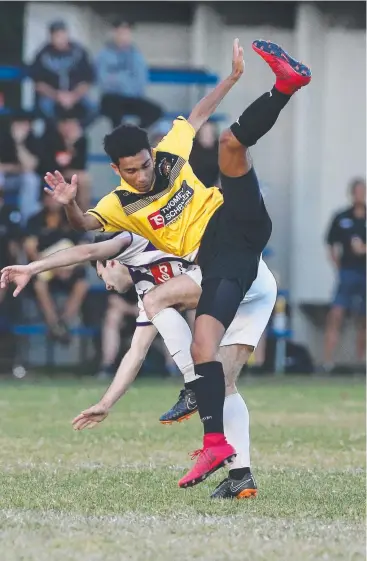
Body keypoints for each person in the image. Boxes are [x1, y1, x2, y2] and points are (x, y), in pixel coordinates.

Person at [43, 39, 311, 488]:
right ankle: (223, 454)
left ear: (152, 153)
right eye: (131, 170)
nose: (143, 174)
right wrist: (71, 205)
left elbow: (199, 113)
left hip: (233, 224)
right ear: (115, 169)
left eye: (146, 164)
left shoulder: (170, 152)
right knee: (208, 359)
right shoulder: (119, 205)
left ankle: (285, 85)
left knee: (229, 145)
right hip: (230, 265)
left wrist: (231, 78)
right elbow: (87, 226)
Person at [1, 229, 276, 499]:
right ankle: (240, 478)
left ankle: (195, 386)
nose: (106, 285)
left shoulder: (136, 243)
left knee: (167, 316)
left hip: (238, 272)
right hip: (256, 289)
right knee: (224, 386)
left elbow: (86, 249)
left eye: (102, 276)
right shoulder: (148, 290)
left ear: (110, 262)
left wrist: (33, 268)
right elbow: (136, 351)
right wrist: (105, 403)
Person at [23, 192, 89, 343]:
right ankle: (53, 323)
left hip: (69, 268)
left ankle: (65, 322)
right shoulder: (35, 220)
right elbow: (30, 249)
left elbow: (83, 247)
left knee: (82, 283)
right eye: (47, 196)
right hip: (44, 268)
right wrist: (52, 268)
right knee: (39, 284)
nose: (51, 200)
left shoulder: (72, 218)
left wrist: (67, 268)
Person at [323, 178, 366, 371]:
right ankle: (327, 362)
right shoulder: (341, 217)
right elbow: (331, 243)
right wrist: (338, 265)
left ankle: (361, 361)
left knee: (363, 318)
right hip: (347, 272)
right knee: (336, 314)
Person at [96, 19, 162, 129]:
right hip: (112, 97)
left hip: (131, 97)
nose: (123, 37)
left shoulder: (136, 55)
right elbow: (104, 81)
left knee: (156, 111)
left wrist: (118, 79)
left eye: (126, 33)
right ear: (114, 33)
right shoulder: (104, 54)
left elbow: (141, 81)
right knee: (113, 109)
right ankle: (117, 141)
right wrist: (126, 80)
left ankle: (135, 135)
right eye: (120, 33)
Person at [31, 20, 95, 126]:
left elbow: (87, 80)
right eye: (56, 35)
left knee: (93, 108)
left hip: (76, 96)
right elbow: (38, 84)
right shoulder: (42, 55)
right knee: (45, 108)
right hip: (52, 97)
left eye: (62, 34)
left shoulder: (79, 52)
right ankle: (60, 134)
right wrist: (57, 96)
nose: (60, 38)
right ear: (51, 36)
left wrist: (73, 96)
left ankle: (76, 133)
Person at [39, 106, 91, 211]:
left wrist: (71, 145)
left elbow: (80, 166)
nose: (70, 128)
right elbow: (49, 166)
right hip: (50, 175)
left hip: (69, 175)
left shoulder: (81, 140)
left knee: (85, 178)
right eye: (67, 124)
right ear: (60, 125)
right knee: (55, 203)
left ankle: (84, 216)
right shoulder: (49, 138)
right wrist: (68, 145)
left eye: (73, 124)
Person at [0, 110, 42, 224]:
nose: (20, 127)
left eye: (24, 124)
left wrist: (19, 144)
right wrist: (17, 168)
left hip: (20, 180)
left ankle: (26, 222)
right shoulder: (3, 137)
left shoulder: (33, 139)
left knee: (31, 179)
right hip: (4, 179)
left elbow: (29, 167)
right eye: (18, 124)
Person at [189, 121, 220, 188]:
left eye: (209, 132)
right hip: (194, 185)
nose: (207, 134)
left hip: (214, 185)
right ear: (200, 133)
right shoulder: (192, 147)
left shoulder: (219, 147)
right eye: (205, 132)